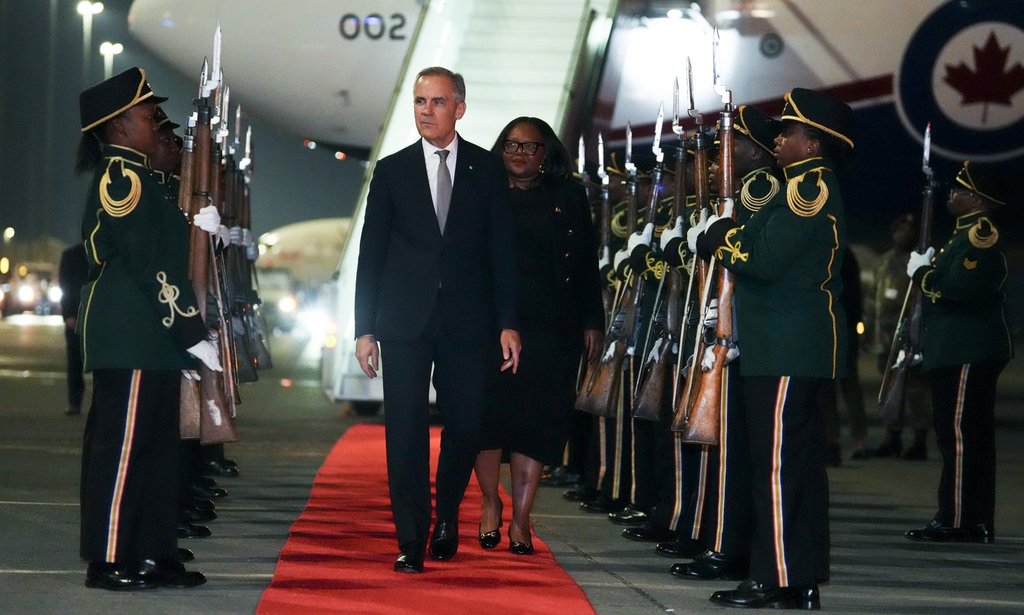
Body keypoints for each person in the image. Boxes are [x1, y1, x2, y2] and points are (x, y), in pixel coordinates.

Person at [690, 88, 854, 609]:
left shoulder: (809, 189)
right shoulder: (795, 188)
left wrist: (717, 236)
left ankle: (772, 576)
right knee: (796, 470)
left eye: (788, 132)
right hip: (785, 346)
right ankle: (797, 579)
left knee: (779, 470)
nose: (778, 139)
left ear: (814, 143)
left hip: (787, 346)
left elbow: (762, 259)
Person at [354, 66, 522, 573]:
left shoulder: (486, 169)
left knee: (466, 425)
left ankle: (446, 515)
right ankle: (411, 537)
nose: (426, 111)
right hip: (403, 322)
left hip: (469, 322)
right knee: (404, 432)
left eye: (437, 101)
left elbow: (502, 251)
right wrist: (364, 328)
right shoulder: (392, 170)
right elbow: (371, 254)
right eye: (419, 101)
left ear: (459, 108)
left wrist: (508, 322)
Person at [75, 67, 222, 591]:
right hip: (131, 332)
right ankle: (109, 557)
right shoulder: (123, 179)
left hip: (152, 335)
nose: (153, 122)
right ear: (119, 124)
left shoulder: (142, 179)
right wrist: (190, 332)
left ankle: (154, 552)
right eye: (146, 114)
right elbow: (149, 265)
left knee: (159, 452)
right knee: (123, 451)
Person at [472, 117, 603, 554]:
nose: (519, 154)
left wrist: (592, 320)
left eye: (529, 147)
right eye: (511, 145)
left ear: (546, 154)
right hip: (489, 324)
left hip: (552, 327)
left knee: (537, 421)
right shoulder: (482, 191)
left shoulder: (568, 196)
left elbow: (585, 263)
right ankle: (490, 502)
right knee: (487, 419)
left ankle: (521, 519)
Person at [904, 160, 1013, 544]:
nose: (951, 195)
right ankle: (974, 519)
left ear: (978, 200)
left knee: (959, 437)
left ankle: (957, 519)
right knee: (969, 437)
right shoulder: (964, 234)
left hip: (967, 346)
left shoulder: (980, 235)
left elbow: (957, 290)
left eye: (959, 190)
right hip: (960, 346)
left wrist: (922, 273)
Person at [869, 213, 931, 459]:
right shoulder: (883, 262)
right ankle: (892, 436)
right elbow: (873, 299)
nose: (902, 234)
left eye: (908, 230)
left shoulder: (919, 262)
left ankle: (919, 440)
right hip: (886, 336)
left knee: (916, 389)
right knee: (889, 388)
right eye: (899, 229)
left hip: (911, 335)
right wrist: (870, 330)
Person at [58, 242, 89, 416]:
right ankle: (74, 401)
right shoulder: (72, 255)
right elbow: (64, 285)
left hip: (94, 315)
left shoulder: (106, 252)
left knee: (101, 364)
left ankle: (79, 402)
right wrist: (68, 313)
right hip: (77, 314)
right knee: (75, 361)